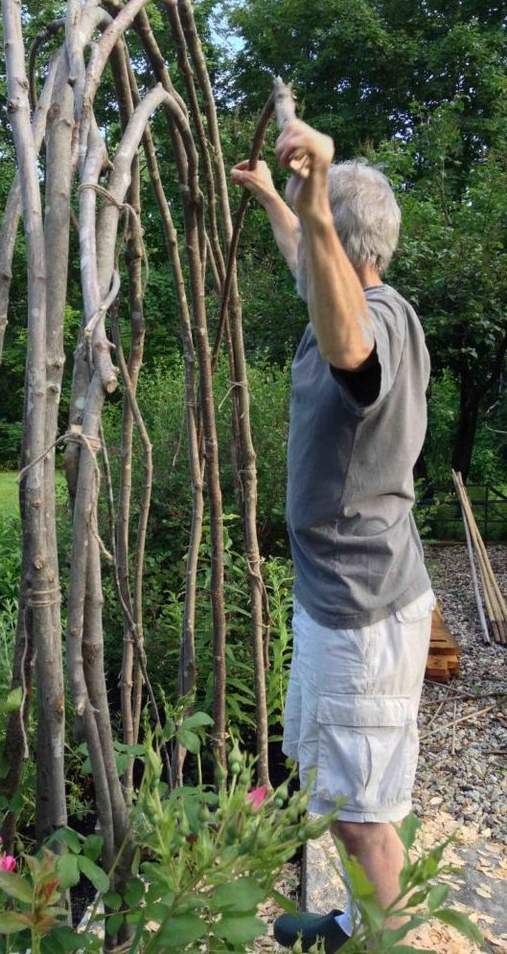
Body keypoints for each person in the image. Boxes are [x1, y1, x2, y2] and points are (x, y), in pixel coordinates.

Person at [231, 120, 434, 952]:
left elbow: (355, 352)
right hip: (339, 604)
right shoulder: (340, 295)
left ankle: (384, 942)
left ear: (340, 243)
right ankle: (355, 923)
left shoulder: (371, 324)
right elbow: (306, 269)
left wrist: (311, 209)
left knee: (362, 815)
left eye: (319, 231)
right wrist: (279, 199)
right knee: (341, 787)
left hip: (361, 614)